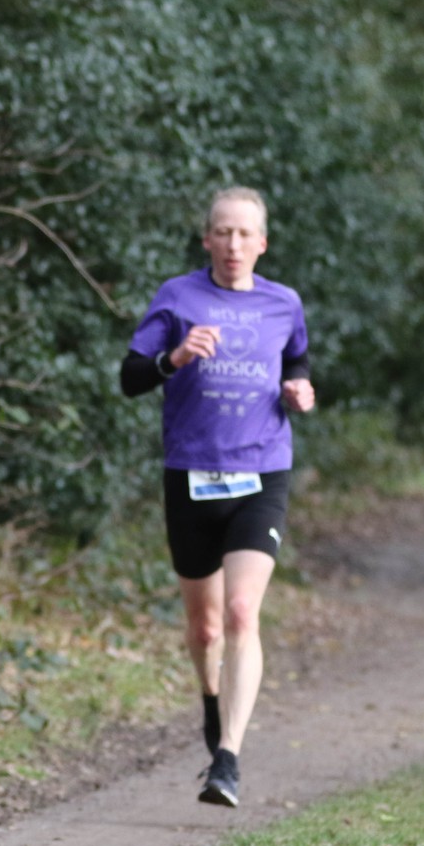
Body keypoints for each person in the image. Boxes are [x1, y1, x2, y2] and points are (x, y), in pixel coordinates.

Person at [118, 186, 315, 808]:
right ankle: (211, 699)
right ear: (207, 239)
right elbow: (130, 377)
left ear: (262, 243)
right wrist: (174, 358)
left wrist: (300, 389)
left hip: (262, 472)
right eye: (223, 232)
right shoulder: (178, 297)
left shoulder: (283, 303)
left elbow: (298, 362)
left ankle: (226, 758)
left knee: (241, 613)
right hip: (191, 474)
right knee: (205, 630)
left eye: (244, 234)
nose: (233, 244)